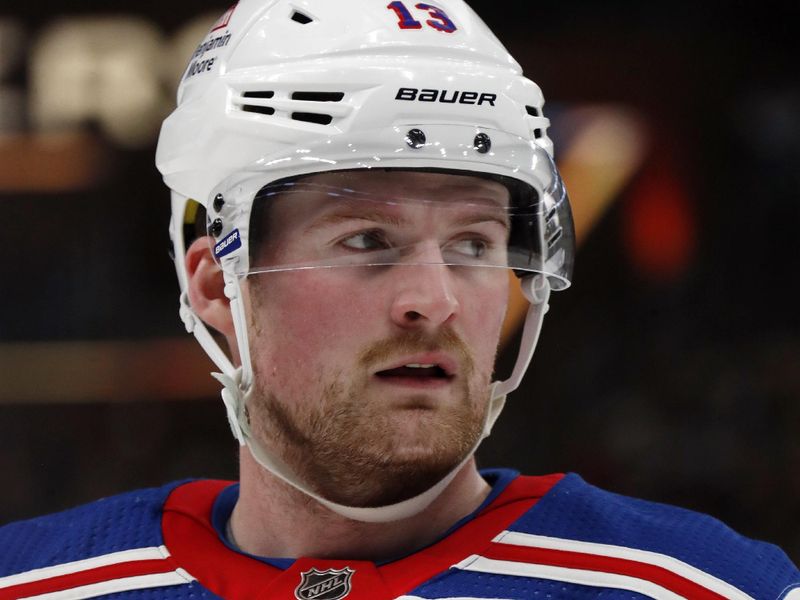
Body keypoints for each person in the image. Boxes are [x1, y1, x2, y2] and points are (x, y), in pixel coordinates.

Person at [1, 0, 798, 598]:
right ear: (216, 284)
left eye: (474, 244)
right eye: (367, 241)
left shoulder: (708, 587)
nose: (434, 301)